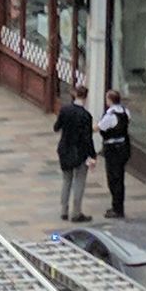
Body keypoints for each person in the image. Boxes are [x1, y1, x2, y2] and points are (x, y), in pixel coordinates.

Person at [53, 83, 96, 223]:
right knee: (79, 181)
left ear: (74, 95)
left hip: (65, 149)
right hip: (79, 152)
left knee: (66, 180)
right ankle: (76, 212)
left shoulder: (65, 110)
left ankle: (63, 210)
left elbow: (56, 127)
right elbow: (87, 138)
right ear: (86, 97)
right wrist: (93, 155)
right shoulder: (86, 116)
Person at [97, 88, 131, 219]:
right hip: (123, 147)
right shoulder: (125, 111)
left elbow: (100, 127)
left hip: (112, 149)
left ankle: (117, 209)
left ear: (109, 100)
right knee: (120, 178)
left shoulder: (110, 116)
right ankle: (118, 206)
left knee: (113, 178)